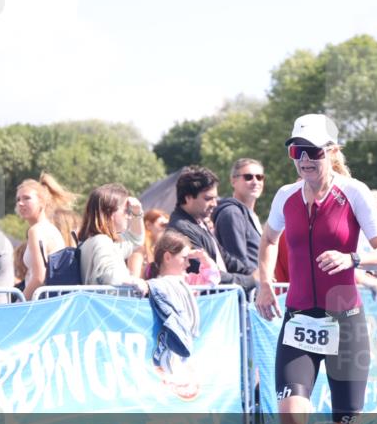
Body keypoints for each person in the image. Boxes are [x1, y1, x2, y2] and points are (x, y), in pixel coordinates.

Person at [254, 114, 377, 424]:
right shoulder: (284, 196)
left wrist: (352, 258)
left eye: (313, 151)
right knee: (291, 421)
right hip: (298, 321)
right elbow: (269, 238)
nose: (303, 161)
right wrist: (262, 281)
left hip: (344, 322)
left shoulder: (354, 194)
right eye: (296, 151)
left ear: (332, 152)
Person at [146, 229, 215, 401]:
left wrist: (204, 260)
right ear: (168, 257)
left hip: (186, 345)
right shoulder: (155, 286)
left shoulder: (187, 282)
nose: (187, 264)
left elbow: (213, 280)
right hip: (164, 344)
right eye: (184, 258)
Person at [168, 166, 256, 292]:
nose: (215, 204)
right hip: (208, 305)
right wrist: (251, 280)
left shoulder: (198, 222)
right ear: (188, 198)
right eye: (208, 199)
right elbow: (205, 273)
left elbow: (225, 258)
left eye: (215, 198)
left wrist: (254, 273)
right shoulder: (180, 229)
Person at [77, 183, 148, 294]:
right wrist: (135, 282)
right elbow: (110, 276)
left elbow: (135, 239)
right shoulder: (102, 241)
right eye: (126, 211)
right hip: (108, 308)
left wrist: (137, 211)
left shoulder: (97, 241)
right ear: (111, 213)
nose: (128, 216)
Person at [15, 173, 75, 300]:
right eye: (18, 199)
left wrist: (19, 302)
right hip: (49, 301)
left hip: (39, 303)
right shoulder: (51, 229)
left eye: (27, 198)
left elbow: (39, 277)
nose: (20, 203)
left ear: (42, 202)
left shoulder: (36, 231)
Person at [213, 158, 265, 274]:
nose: (255, 182)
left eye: (259, 177)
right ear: (233, 181)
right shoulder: (232, 213)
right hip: (246, 288)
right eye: (248, 177)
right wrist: (257, 278)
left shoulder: (251, 215)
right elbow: (237, 261)